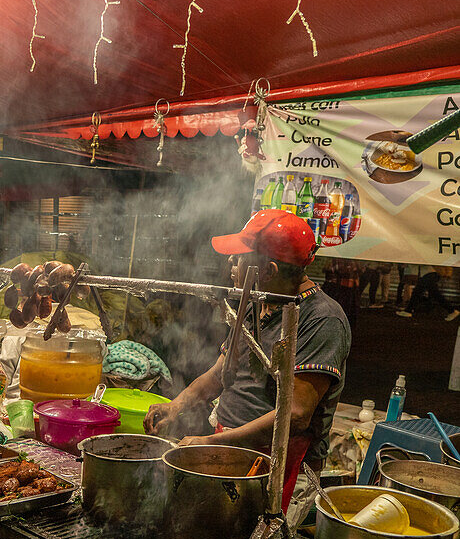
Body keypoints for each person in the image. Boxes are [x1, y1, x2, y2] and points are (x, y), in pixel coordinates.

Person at [144, 210, 351, 511]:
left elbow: (295, 414)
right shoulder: (255, 303)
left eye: (240, 256)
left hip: (277, 462)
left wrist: (212, 445)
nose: (230, 262)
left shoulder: (322, 320)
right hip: (228, 445)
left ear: (268, 270)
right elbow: (220, 373)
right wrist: (176, 406)